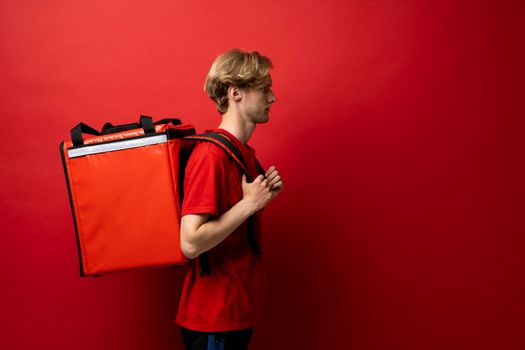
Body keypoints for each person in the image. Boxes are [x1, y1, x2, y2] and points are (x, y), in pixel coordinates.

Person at [175, 48, 284, 350]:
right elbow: (191, 242)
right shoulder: (211, 156)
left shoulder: (241, 154)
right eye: (264, 89)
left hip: (235, 312)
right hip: (214, 317)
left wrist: (261, 199)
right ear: (236, 93)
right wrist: (250, 204)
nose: (273, 98)